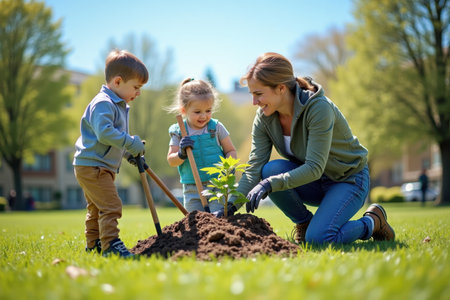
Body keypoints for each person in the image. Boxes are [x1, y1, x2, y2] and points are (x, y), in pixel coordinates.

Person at [223, 52, 395, 244]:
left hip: (348, 179)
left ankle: (372, 222)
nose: (254, 102)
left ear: (280, 88)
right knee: (269, 170)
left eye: (259, 94)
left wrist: (269, 184)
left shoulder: (318, 108)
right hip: (313, 183)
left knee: (321, 239)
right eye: (252, 95)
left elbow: (314, 167)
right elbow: (254, 168)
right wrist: (228, 207)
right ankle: (304, 224)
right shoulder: (264, 118)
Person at [73, 50, 148, 258]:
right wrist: (130, 142)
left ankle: (93, 245)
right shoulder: (103, 103)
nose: (138, 92)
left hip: (96, 165)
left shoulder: (117, 105)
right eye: (136, 87)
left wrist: (127, 153)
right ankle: (111, 245)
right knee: (111, 205)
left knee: (97, 209)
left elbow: (113, 139)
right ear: (117, 81)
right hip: (93, 166)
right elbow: (105, 133)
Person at [166, 78, 237, 213]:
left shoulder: (215, 127)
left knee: (218, 219)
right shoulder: (178, 131)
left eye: (208, 110)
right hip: (191, 188)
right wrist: (181, 153)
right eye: (198, 112)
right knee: (196, 223)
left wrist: (229, 167)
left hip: (217, 184)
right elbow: (171, 160)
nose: (204, 116)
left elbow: (230, 150)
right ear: (183, 110)